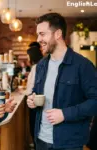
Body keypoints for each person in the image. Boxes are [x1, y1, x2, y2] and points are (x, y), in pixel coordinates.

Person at [27, 12, 97, 150]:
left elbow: (95, 102)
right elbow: (37, 92)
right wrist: (32, 99)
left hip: (69, 143)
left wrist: (64, 114)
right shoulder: (41, 65)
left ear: (57, 34)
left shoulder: (83, 65)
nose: (38, 39)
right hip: (41, 139)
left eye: (42, 34)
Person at [26, 42, 43, 149]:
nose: (27, 58)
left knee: (34, 127)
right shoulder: (41, 65)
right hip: (38, 100)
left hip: (34, 101)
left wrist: (24, 93)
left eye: (28, 55)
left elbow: (31, 87)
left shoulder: (35, 67)